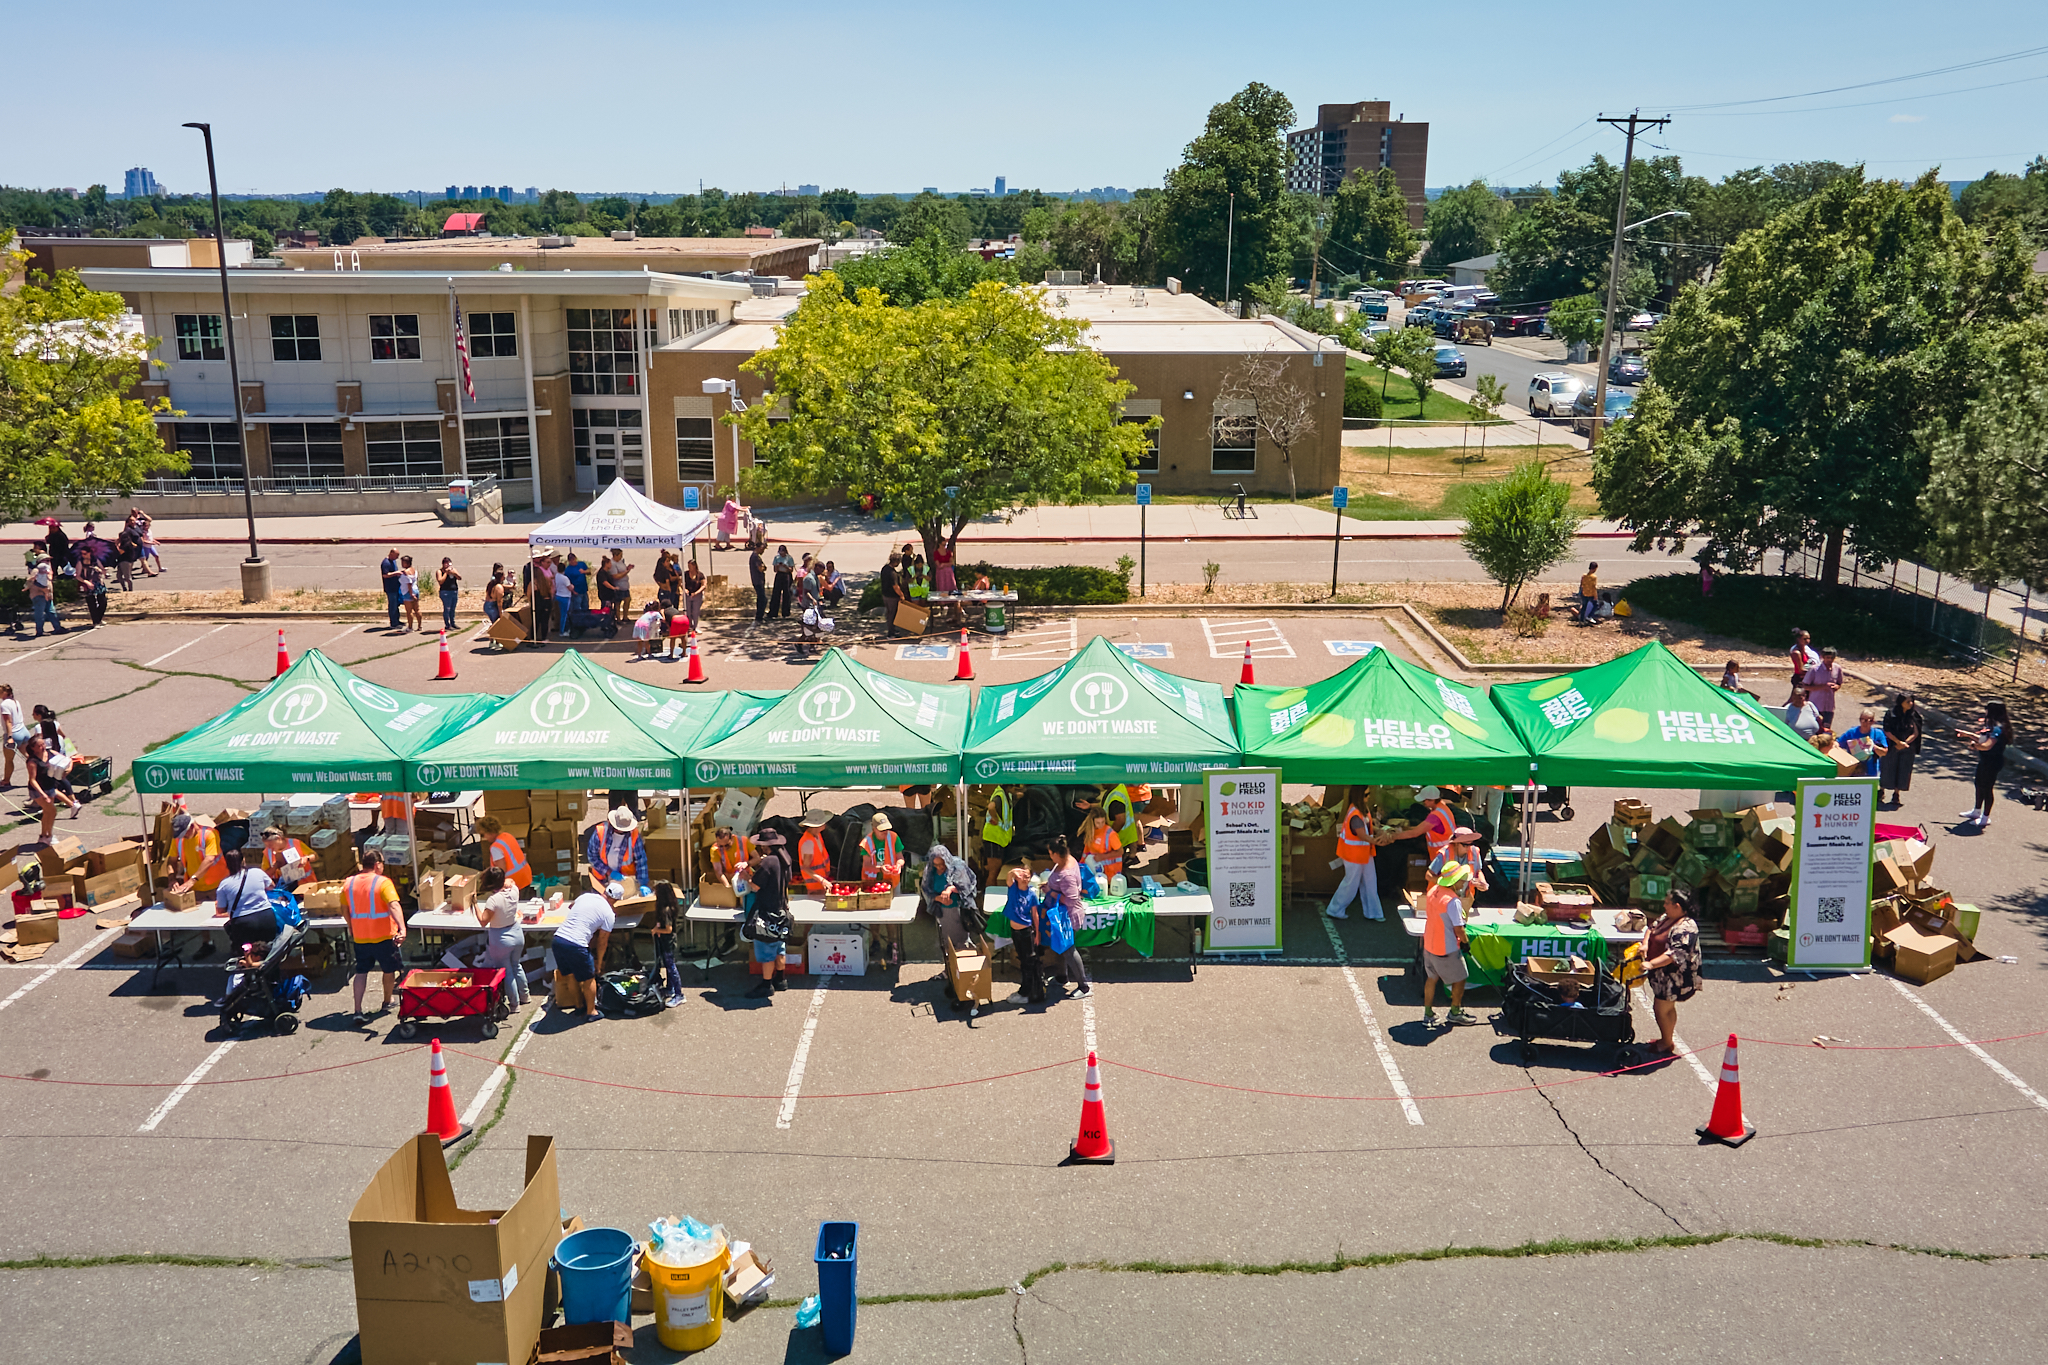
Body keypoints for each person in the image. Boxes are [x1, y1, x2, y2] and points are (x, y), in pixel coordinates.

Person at [344, 849, 406, 1022]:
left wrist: (351, 926)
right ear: (378, 864)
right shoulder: (383, 883)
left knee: (361, 971)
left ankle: (357, 1010)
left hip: (360, 937)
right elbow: (394, 905)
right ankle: (387, 1001)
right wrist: (402, 928)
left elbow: (344, 909)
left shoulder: (348, 883)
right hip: (384, 936)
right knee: (389, 970)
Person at [1642, 887, 1702, 1054]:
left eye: (1667, 903)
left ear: (1677, 906)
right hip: (1661, 975)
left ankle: (1666, 1043)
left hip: (1675, 976)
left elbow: (1674, 955)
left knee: (1661, 1008)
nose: (1664, 905)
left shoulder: (1687, 927)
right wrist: (1645, 943)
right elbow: (1651, 928)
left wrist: (1651, 964)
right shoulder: (1666, 917)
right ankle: (1666, 1038)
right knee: (1666, 1007)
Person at [1421, 862, 1476, 1028]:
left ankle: (1428, 1013)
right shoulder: (1452, 901)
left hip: (1429, 945)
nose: (1464, 882)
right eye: (1461, 879)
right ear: (1454, 881)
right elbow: (1459, 929)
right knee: (1460, 978)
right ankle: (1455, 1012)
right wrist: (1466, 943)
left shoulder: (1432, 891)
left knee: (1431, 978)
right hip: (1446, 948)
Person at [553, 881, 617, 1020]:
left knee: (570, 975)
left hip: (558, 939)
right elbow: (602, 942)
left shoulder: (585, 896)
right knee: (589, 979)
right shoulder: (609, 914)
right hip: (577, 944)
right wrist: (598, 963)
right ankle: (591, 1012)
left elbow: (572, 908)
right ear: (615, 900)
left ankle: (578, 1006)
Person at [743, 827, 793, 997]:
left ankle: (766, 984)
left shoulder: (767, 863)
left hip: (767, 911)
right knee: (780, 947)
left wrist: (746, 877)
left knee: (766, 951)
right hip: (782, 908)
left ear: (765, 846)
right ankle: (781, 979)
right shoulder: (784, 859)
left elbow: (756, 886)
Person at [472, 867, 529, 1010]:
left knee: (507, 970)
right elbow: (511, 881)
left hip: (501, 938)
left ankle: (514, 1005)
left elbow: (483, 921)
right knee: (517, 965)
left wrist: (474, 904)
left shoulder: (493, 900)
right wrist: (507, 881)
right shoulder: (514, 890)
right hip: (516, 932)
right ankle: (525, 996)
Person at [1044, 835, 1091, 998]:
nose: (1050, 856)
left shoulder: (1067, 874)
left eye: (1051, 853)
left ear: (1057, 853)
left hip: (1068, 916)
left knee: (1069, 950)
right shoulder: (1067, 859)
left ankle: (1084, 987)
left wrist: (1050, 892)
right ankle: (1062, 977)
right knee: (1060, 947)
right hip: (1060, 915)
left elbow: (1071, 900)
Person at [1326, 788, 1383, 922]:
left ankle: (1373, 912)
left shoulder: (1359, 809)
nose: (1368, 797)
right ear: (1359, 796)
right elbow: (1362, 834)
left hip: (1362, 853)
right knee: (1352, 884)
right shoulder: (1356, 813)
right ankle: (1335, 909)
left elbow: (1365, 829)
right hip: (1354, 855)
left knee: (1369, 882)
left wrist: (1377, 831)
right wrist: (1377, 840)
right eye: (1366, 795)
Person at [1000, 866, 1047, 1006]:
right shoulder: (1013, 888)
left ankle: (1025, 992)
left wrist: (1037, 933)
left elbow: (1035, 915)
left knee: (1028, 962)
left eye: (1028, 876)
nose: (1025, 878)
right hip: (1015, 932)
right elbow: (1008, 878)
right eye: (1023, 875)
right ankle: (1026, 990)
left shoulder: (1032, 894)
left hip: (1026, 932)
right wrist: (1014, 872)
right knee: (1022, 959)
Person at [1962, 701, 2011, 829]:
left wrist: (1976, 746)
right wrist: (1968, 735)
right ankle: (1976, 811)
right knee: (1978, 784)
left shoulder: (1998, 728)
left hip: (1992, 762)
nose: (1985, 712)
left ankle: (1985, 818)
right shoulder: (1993, 726)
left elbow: (1987, 745)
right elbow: (1983, 739)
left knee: (1987, 788)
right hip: (1985, 761)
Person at [1378, 785, 1456, 866]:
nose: (1423, 803)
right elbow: (1421, 829)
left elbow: (1414, 833)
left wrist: (1392, 836)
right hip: (1447, 853)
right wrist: (1403, 829)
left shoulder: (1435, 816)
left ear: (1432, 800)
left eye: (1424, 800)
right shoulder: (1443, 809)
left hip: (1441, 856)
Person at [587, 806, 650, 893]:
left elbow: (641, 860)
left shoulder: (634, 835)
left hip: (626, 882)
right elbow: (592, 857)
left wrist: (643, 883)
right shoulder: (600, 832)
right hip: (602, 880)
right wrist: (609, 872)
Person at [1880, 693, 1924, 807]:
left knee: (1903, 769)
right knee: (1888, 767)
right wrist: (1897, 742)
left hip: (1907, 747)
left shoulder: (1914, 715)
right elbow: (1887, 730)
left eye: (1911, 701)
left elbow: (1916, 732)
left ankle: (1896, 794)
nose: (1910, 704)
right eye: (1907, 701)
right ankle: (1881, 790)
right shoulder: (1891, 713)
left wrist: (1905, 743)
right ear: (1901, 702)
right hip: (1892, 744)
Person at [165, 810, 223, 894]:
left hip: (216, 885)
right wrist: (172, 879)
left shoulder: (209, 834)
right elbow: (171, 861)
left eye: (185, 833)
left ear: (192, 826)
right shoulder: (178, 839)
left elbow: (210, 859)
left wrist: (192, 880)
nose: (183, 837)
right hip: (195, 888)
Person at [211, 847, 275, 924]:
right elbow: (271, 886)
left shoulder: (224, 884)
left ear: (227, 864)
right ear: (243, 860)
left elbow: (220, 911)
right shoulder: (258, 872)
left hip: (243, 922)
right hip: (267, 917)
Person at [475, 815, 533, 892]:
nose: (484, 838)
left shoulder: (495, 847)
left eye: (483, 835)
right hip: (525, 877)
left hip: (514, 883)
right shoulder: (507, 836)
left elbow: (501, 871)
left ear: (490, 832)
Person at [649, 881, 684, 1007]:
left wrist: (656, 930)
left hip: (667, 942)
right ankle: (670, 989)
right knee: (668, 966)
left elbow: (668, 929)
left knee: (671, 967)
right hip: (665, 941)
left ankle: (679, 994)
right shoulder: (668, 907)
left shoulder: (666, 910)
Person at [1429, 825, 1488, 896]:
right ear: (1456, 843)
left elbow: (1478, 871)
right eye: (1465, 845)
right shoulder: (1444, 854)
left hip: (1465, 897)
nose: (1468, 847)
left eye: (1470, 844)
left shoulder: (1475, 851)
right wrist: (1446, 884)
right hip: (1444, 896)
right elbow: (1428, 875)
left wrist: (1482, 882)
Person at [257, 825, 314, 891]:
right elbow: (265, 875)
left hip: (306, 885)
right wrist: (276, 866)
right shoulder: (268, 852)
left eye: (271, 845)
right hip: (286, 889)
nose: (269, 848)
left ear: (278, 838)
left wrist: (307, 858)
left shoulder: (295, 843)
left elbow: (314, 856)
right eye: (267, 846)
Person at [1837, 708, 1889, 779]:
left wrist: (1873, 746)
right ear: (1860, 720)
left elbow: (1884, 752)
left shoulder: (1878, 734)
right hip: (1853, 770)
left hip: (1871, 771)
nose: (1866, 723)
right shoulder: (1851, 733)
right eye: (1863, 720)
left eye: (1870, 720)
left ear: (1873, 721)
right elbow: (1838, 743)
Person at [979, 783, 1014, 885]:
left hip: (999, 838)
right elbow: (991, 806)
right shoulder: (1000, 795)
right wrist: (995, 818)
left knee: (996, 871)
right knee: (993, 872)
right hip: (993, 838)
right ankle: (989, 895)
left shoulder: (1006, 795)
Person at [1802, 646, 1843, 731]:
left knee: (1826, 730)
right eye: (1828, 658)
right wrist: (1822, 687)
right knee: (1814, 729)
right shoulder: (1814, 669)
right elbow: (1805, 686)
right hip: (1815, 706)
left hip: (1829, 706)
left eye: (1832, 658)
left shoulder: (1837, 668)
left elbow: (1839, 683)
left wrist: (1836, 687)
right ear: (1822, 657)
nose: (1830, 660)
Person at [26, 553, 65, 636]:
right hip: (39, 595)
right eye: (46, 560)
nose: (48, 562)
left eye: (49, 560)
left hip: (47, 595)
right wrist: (43, 590)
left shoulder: (47, 571)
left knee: (51, 611)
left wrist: (49, 593)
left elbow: (48, 581)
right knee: (40, 614)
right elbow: (31, 581)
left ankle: (57, 628)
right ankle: (39, 631)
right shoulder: (37, 570)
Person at [796, 808, 834, 892]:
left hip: (822, 883)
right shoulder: (808, 843)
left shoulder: (817, 836)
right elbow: (806, 868)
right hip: (815, 887)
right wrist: (822, 880)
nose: (825, 824)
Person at [860, 813, 904, 887]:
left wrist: (898, 865)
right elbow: (866, 865)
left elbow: (900, 857)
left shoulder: (894, 837)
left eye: (887, 829)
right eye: (882, 829)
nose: (885, 831)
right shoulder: (866, 842)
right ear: (874, 829)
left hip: (892, 882)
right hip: (872, 883)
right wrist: (880, 869)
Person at [76, 554, 107, 628]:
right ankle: (95, 621)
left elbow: (102, 570)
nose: (84, 555)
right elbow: (78, 576)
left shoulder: (95, 560)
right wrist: (87, 582)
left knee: (103, 602)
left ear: (89, 553)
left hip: (98, 583)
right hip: (88, 584)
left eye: (85, 553)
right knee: (92, 603)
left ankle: (99, 619)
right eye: (82, 554)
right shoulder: (80, 562)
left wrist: (102, 570)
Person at [1787, 628, 1819, 700]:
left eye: (1808, 638)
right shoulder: (1796, 652)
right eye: (1805, 639)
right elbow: (1801, 670)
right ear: (1798, 639)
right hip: (1800, 679)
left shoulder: (1806, 650)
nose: (1807, 641)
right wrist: (1815, 672)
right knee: (1795, 700)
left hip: (1806, 678)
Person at [0, 682, 21, 790]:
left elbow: (8, 722)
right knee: (30, 758)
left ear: (5, 693)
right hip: (23, 732)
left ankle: (6, 780)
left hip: (14, 734)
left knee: (9, 760)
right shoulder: (15, 701)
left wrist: (9, 737)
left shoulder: (4, 705)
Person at [602, 549, 633, 619]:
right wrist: (627, 572)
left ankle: (625, 617)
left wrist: (627, 568)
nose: (621, 557)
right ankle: (618, 618)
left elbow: (623, 570)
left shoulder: (620, 562)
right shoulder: (612, 564)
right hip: (618, 586)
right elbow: (615, 576)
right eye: (620, 555)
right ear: (615, 555)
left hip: (625, 586)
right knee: (617, 603)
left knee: (627, 600)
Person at [879, 550, 902, 637]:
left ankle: (892, 629)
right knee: (892, 614)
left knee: (889, 613)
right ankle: (891, 633)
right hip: (892, 597)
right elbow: (895, 587)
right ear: (896, 562)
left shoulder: (884, 568)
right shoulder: (892, 573)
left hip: (885, 595)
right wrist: (901, 595)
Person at [379, 548, 403, 630]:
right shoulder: (386, 563)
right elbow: (385, 575)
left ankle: (397, 620)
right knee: (392, 605)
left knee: (396, 604)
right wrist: (396, 573)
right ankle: (393, 623)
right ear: (391, 553)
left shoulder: (393, 561)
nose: (397, 557)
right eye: (396, 555)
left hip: (396, 586)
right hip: (390, 588)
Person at [770, 544, 796, 620]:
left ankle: (786, 612)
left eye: (783, 551)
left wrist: (785, 566)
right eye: (780, 551)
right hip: (779, 575)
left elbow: (791, 569)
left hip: (786, 575)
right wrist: (778, 566)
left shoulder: (789, 558)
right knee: (776, 593)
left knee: (786, 594)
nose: (782, 553)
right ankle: (774, 612)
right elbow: (775, 570)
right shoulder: (777, 558)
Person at [435, 558, 461, 632]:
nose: (447, 565)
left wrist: (454, 573)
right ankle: (447, 624)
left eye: (448, 563)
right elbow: (440, 581)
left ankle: (453, 623)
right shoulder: (439, 571)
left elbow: (459, 577)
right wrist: (446, 573)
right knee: (447, 608)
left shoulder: (453, 570)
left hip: (454, 591)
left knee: (453, 608)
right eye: (445, 563)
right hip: (445, 592)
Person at [396, 555, 421, 632]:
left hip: (408, 592)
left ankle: (410, 627)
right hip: (416, 590)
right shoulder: (414, 570)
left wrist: (411, 594)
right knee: (417, 609)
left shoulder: (405, 573)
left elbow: (409, 584)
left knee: (409, 611)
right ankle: (420, 626)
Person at [552, 551, 573, 637]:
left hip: (558, 595)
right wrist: (573, 586)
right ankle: (562, 631)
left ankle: (562, 629)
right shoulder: (565, 578)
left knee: (561, 614)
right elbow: (570, 588)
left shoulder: (556, 576)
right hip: (565, 597)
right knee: (564, 615)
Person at [748, 541, 769, 624]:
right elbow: (761, 568)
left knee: (761, 599)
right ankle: (759, 617)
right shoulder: (756, 557)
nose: (763, 551)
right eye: (762, 549)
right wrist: (763, 568)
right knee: (762, 599)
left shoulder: (756, 556)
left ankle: (760, 616)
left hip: (758, 580)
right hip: (758, 581)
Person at [683, 558, 706, 632]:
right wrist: (684, 589)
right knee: (688, 612)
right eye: (688, 566)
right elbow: (681, 582)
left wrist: (697, 592)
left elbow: (703, 585)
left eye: (690, 566)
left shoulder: (700, 575)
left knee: (695, 612)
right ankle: (689, 626)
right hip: (688, 595)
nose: (689, 568)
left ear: (694, 566)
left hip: (697, 596)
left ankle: (695, 627)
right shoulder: (686, 574)